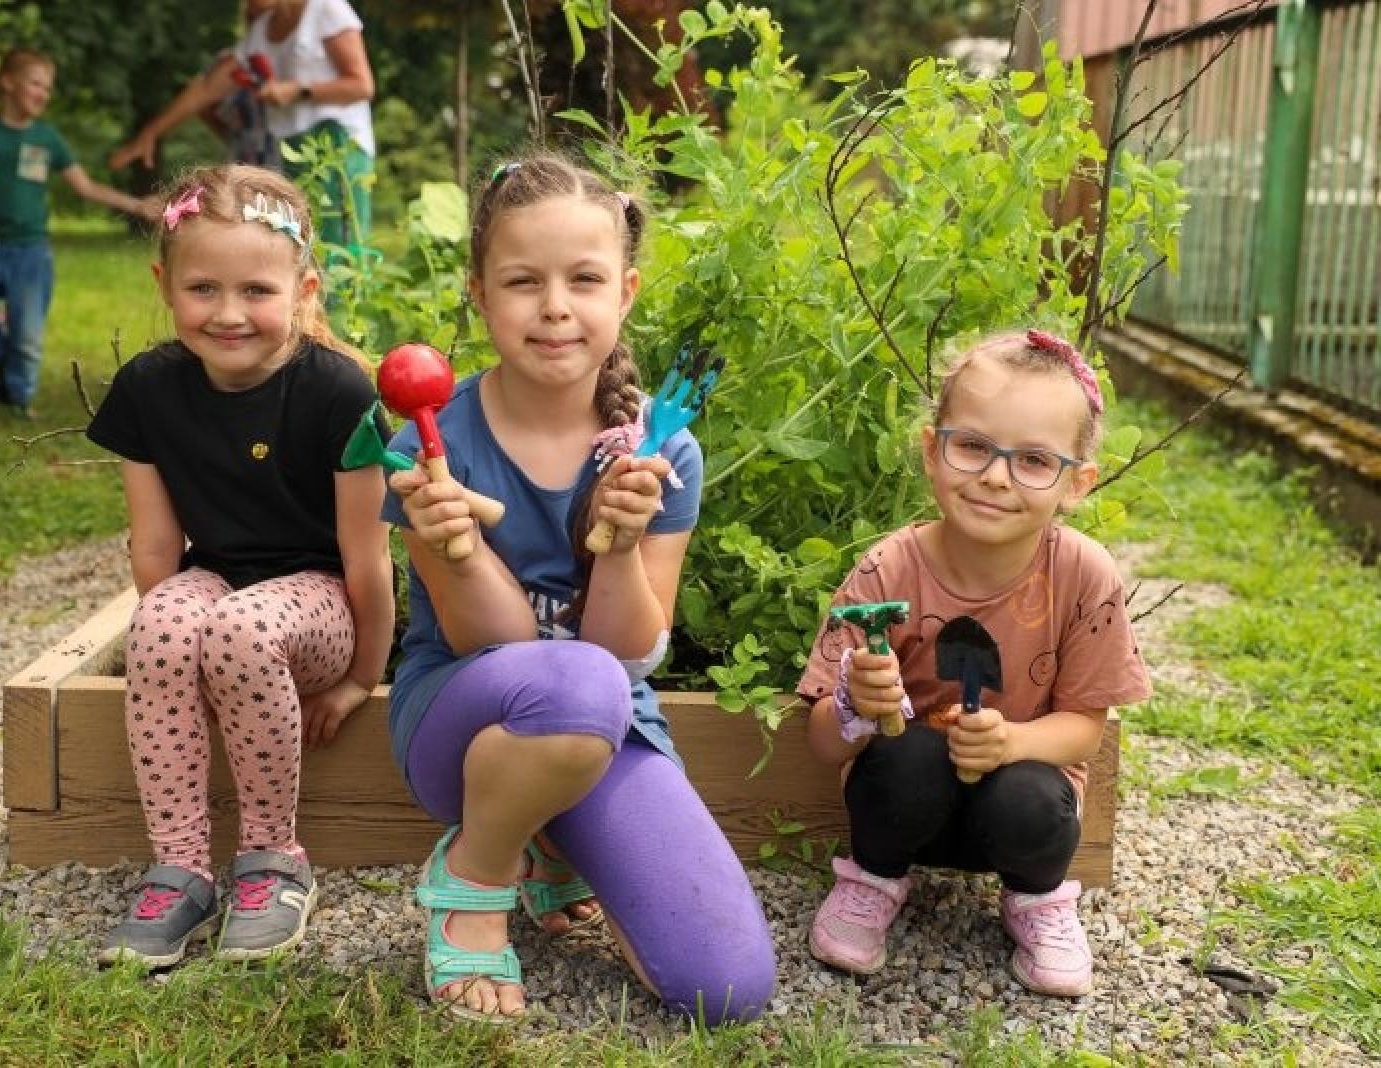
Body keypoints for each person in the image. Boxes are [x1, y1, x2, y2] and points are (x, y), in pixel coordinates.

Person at [381, 154, 776, 1024]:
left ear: (625, 292)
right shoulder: (428, 447)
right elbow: (487, 639)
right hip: (464, 719)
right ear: (480, 295)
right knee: (576, 682)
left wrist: (625, 544)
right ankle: (477, 873)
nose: (556, 306)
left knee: (725, 987)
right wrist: (455, 550)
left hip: (607, 713)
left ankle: (552, 826)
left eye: (584, 279)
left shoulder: (659, 452)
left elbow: (632, 654)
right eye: (523, 281)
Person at [86, 164, 394, 969]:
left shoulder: (336, 391)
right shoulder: (149, 389)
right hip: (219, 585)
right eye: (203, 289)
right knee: (163, 618)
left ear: (304, 287)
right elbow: (155, 554)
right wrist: (181, 660)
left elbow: (366, 558)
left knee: (239, 626)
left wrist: (362, 677)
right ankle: (182, 870)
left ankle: (273, 859)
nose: (228, 314)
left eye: (257, 290)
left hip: (318, 604)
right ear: (165, 284)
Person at [796, 329, 1152, 998]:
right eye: (973, 446)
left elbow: (1083, 729)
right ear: (933, 451)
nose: (995, 476)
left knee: (1032, 794)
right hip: (905, 805)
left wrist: (1012, 740)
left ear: (1077, 484)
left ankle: (1038, 900)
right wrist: (856, 706)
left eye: (1034, 461)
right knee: (902, 761)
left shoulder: (1082, 574)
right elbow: (820, 742)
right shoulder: (888, 567)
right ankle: (872, 880)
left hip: (1018, 810)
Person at [0, 47, 161, 417]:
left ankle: (16, 398)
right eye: (35, 84)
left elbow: (86, 187)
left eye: (47, 88)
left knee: (28, 337)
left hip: (31, 251)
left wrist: (138, 206)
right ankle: (4, 370)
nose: (43, 94)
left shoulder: (47, 138)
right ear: (7, 82)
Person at [110, 0, 375, 251]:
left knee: (339, 247)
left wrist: (298, 91)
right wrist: (151, 134)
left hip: (336, 143)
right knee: (298, 243)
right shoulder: (261, 30)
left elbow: (361, 84)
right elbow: (207, 87)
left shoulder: (326, 8)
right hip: (291, 148)